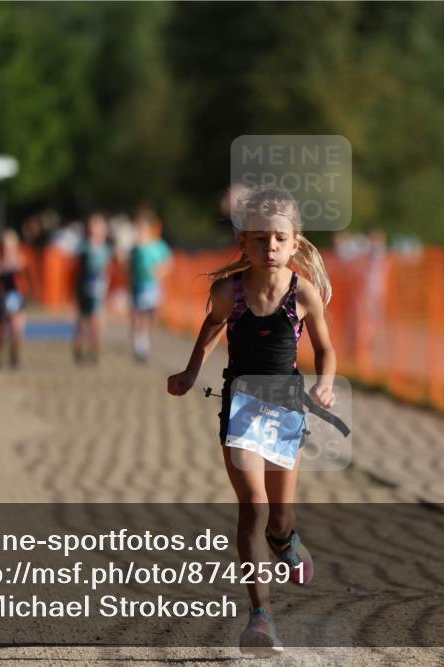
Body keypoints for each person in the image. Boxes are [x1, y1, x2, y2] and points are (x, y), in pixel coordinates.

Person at [167, 186, 338, 655]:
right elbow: (209, 330)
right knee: (254, 508)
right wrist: (189, 372)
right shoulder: (229, 292)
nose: (270, 248)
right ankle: (260, 616)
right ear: (243, 242)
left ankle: (286, 540)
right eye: (259, 239)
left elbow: (325, 348)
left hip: (285, 407)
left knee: (279, 517)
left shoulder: (302, 292)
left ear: (296, 242)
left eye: (279, 239)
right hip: (241, 406)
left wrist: (324, 383)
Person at [128, 208, 172, 362]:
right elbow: (129, 267)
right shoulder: (134, 248)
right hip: (138, 286)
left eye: (142, 228)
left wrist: (158, 272)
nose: (139, 232)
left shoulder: (158, 246)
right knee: (139, 316)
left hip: (152, 287)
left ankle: (145, 341)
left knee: (150, 316)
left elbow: (168, 264)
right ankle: (139, 344)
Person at [73, 212, 112, 365]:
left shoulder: (107, 248)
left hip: (99, 289)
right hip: (84, 287)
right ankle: (79, 349)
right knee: (83, 320)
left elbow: (108, 268)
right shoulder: (84, 246)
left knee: (98, 320)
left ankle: (95, 351)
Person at [0, 229, 28, 370]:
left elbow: (26, 281)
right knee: (1, 330)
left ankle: (14, 354)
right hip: (3, 298)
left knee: (16, 329)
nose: (8, 249)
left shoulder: (21, 260)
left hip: (17, 298)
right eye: (5, 246)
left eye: (11, 246)